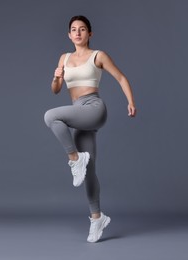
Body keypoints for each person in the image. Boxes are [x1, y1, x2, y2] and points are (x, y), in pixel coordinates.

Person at [44, 15, 136, 243]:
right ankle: (97, 218)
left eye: (82, 29)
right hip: (78, 111)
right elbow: (56, 90)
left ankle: (75, 158)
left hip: (94, 107)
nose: (78, 33)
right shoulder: (64, 58)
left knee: (51, 116)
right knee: (90, 172)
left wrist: (130, 101)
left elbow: (121, 77)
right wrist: (56, 78)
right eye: (74, 29)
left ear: (89, 34)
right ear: (69, 34)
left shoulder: (98, 56)